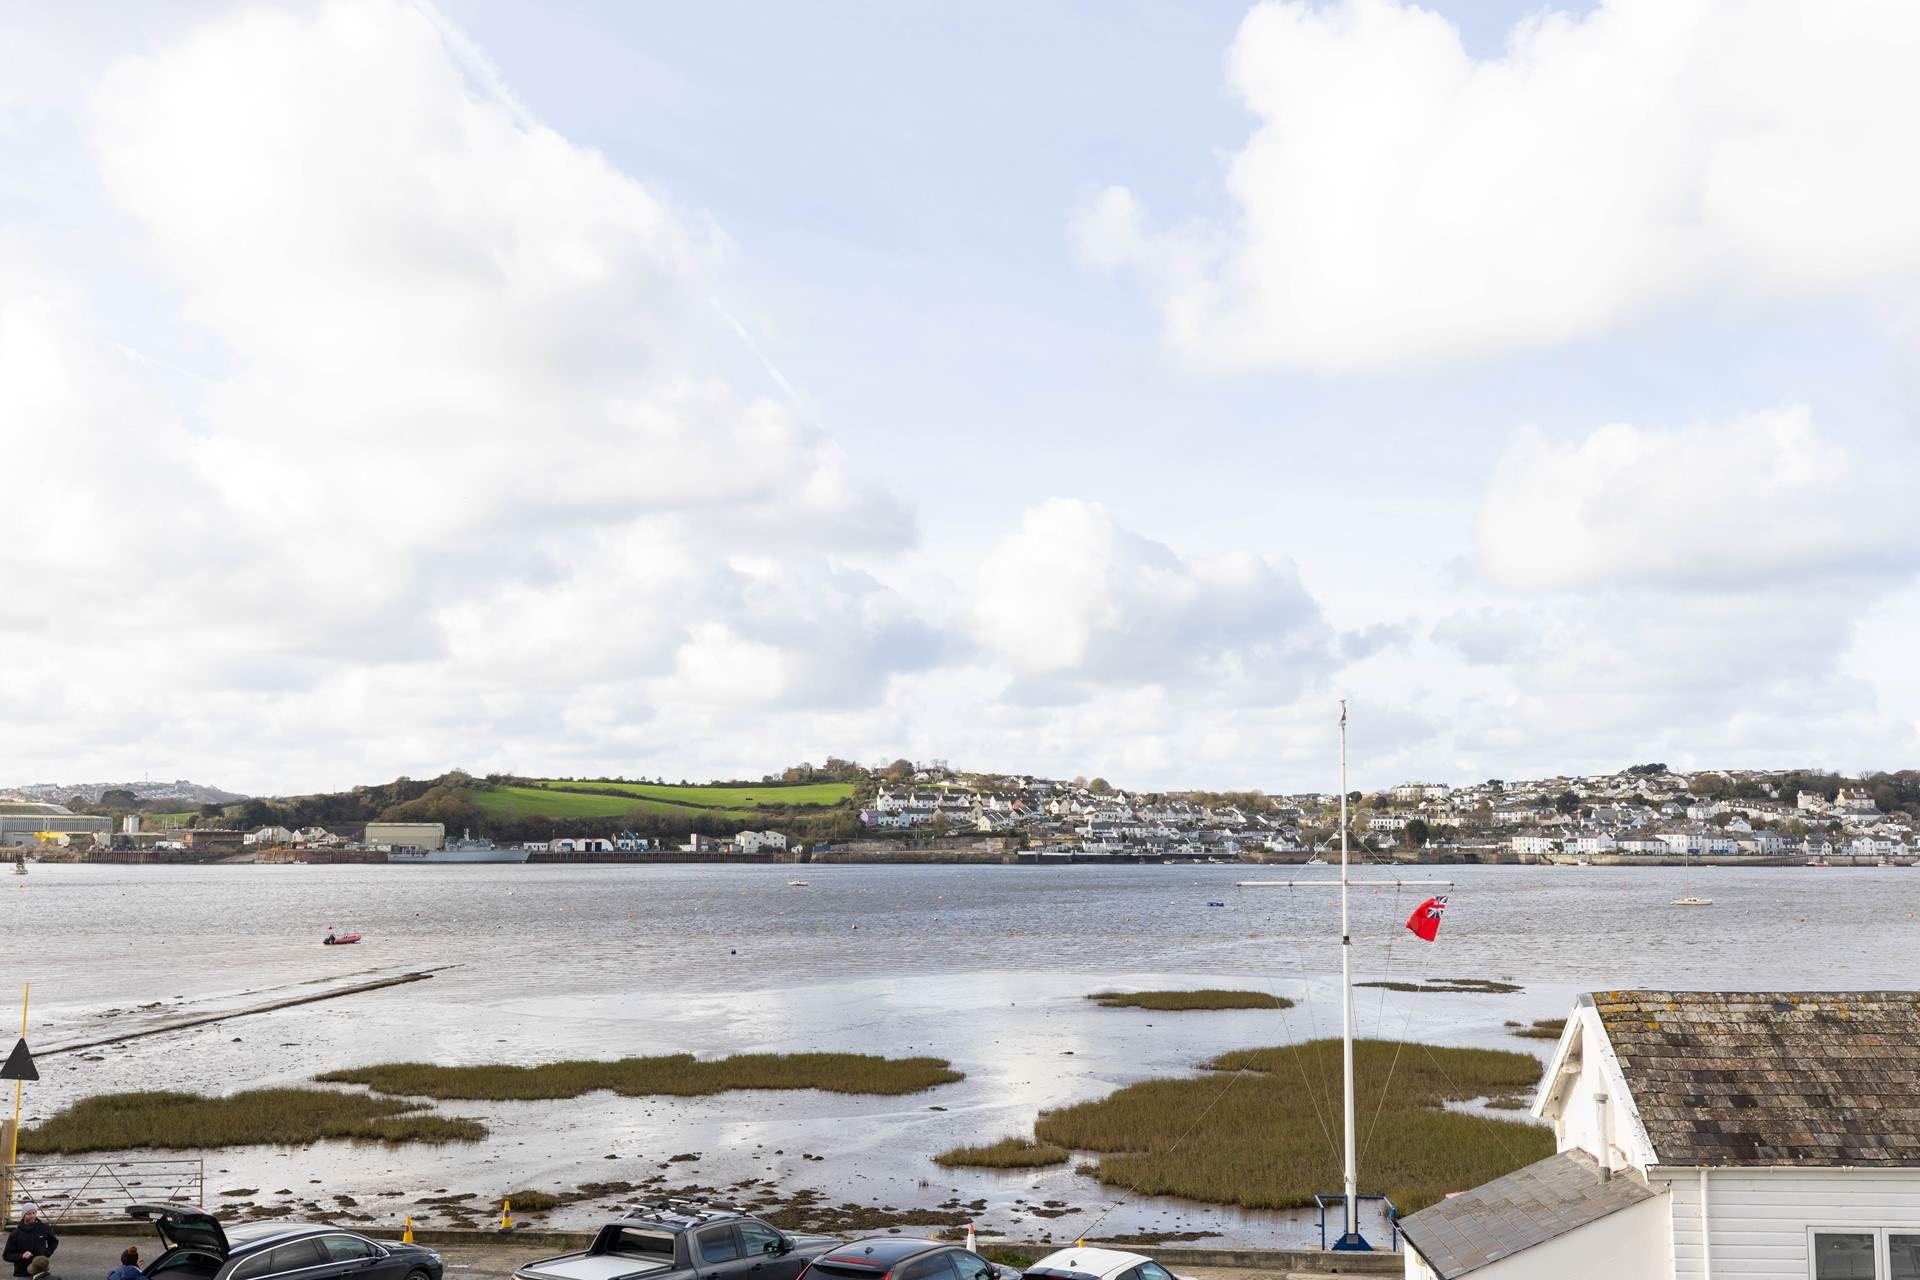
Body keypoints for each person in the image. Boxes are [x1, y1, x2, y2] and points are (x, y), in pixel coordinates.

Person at [3, 1203, 57, 1278]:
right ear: (23, 1216)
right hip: (23, 1273)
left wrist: (46, 1253)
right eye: (29, 1214)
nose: (32, 1216)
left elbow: (54, 1242)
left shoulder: (44, 1228)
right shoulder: (15, 1234)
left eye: (34, 1213)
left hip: (41, 1272)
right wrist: (22, 1256)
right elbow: (6, 1255)